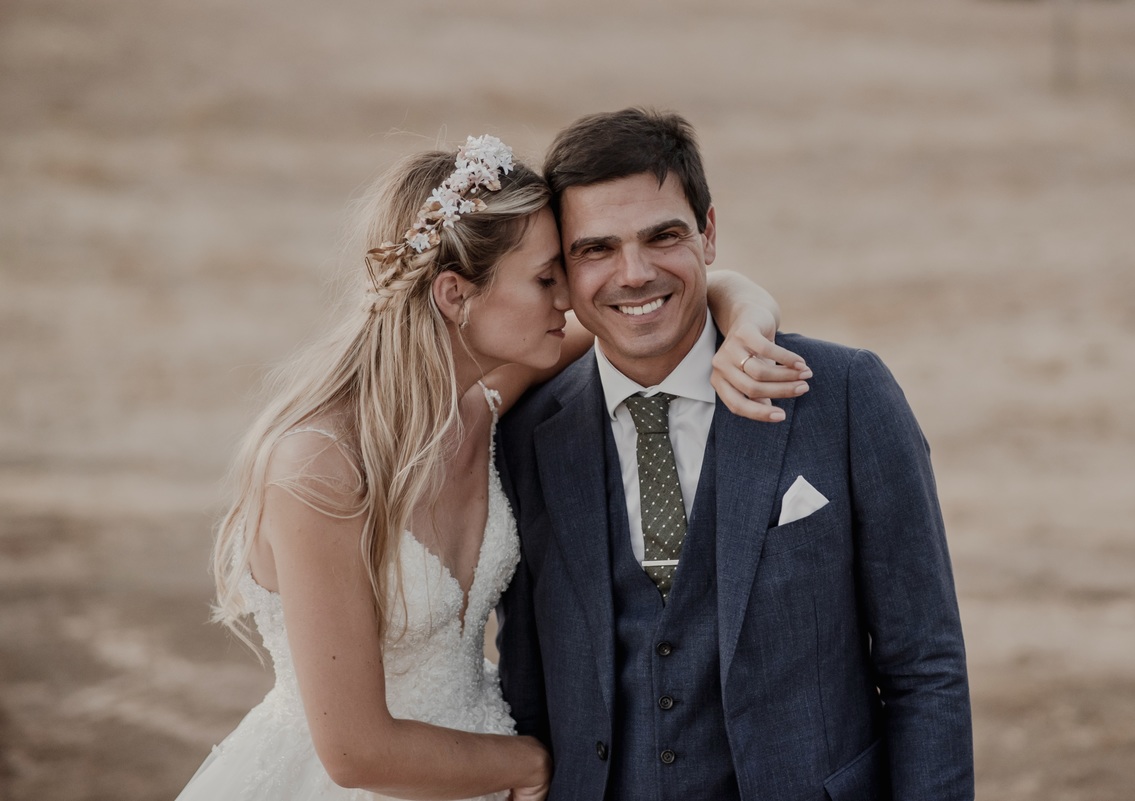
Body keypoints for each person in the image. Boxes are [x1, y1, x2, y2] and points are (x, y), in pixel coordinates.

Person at [174, 135, 803, 801]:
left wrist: (746, 324)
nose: (568, 299)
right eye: (543, 279)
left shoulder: (488, 403)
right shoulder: (320, 466)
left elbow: (661, 309)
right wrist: (532, 765)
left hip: (480, 767)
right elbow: (355, 751)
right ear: (455, 294)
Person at [495, 109, 974, 801]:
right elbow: (528, 690)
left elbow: (924, 665)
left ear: (709, 233)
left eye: (663, 236)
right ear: (561, 276)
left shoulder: (843, 394)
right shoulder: (526, 434)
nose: (634, 272)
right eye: (596, 249)